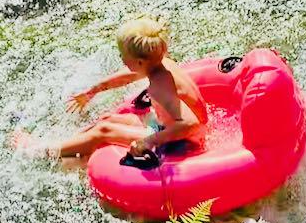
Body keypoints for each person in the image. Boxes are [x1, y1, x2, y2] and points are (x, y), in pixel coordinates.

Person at [11, 17, 208, 160]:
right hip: (167, 125)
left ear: (140, 62)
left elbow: (190, 124)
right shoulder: (160, 65)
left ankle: (41, 151)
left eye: (124, 56)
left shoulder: (160, 88)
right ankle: (71, 146)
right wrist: (93, 91)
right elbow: (128, 75)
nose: (122, 59)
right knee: (107, 119)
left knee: (104, 130)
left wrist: (150, 141)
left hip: (184, 141)